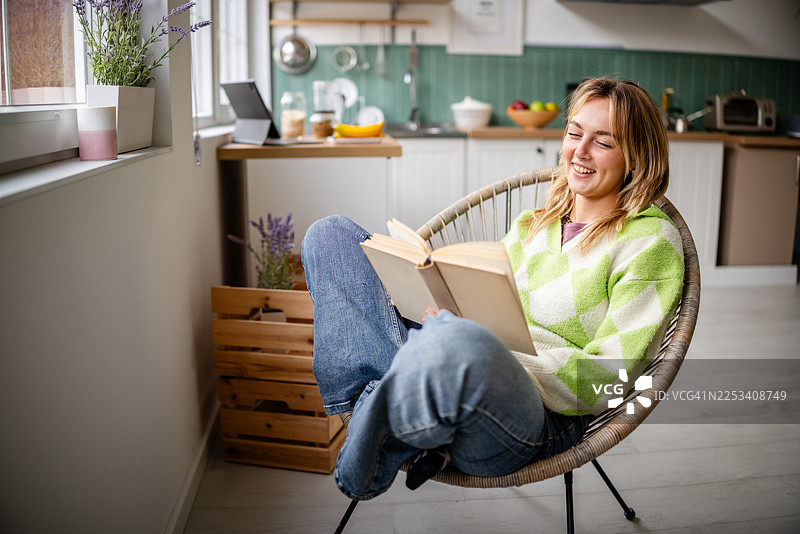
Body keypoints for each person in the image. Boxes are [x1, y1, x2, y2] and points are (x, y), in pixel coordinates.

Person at [301, 76, 685, 501]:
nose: (580, 151)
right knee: (329, 236)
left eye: (604, 142)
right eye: (575, 133)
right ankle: (406, 409)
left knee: (462, 341)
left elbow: (612, 378)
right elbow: (483, 308)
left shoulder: (650, 242)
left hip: (533, 416)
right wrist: (417, 299)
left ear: (636, 159)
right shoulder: (531, 225)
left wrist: (485, 349)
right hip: (452, 368)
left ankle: (380, 425)